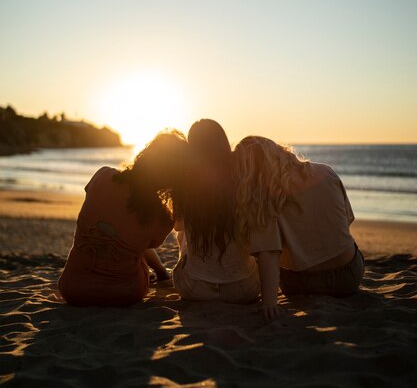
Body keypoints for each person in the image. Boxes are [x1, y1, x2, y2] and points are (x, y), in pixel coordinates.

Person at [234, 136, 365, 321]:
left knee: (257, 252)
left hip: (300, 283)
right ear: (278, 152)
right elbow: (347, 221)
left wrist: (269, 304)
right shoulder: (326, 172)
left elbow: (268, 254)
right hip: (348, 276)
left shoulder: (263, 199)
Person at [58, 130, 188, 306]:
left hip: (72, 289)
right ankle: (162, 273)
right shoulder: (161, 217)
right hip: (123, 293)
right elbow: (145, 247)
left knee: (122, 233)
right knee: (135, 243)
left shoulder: (102, 176)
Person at [173, 119, 262, 304]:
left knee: (183, 237)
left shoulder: (184, 182)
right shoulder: (242, 180)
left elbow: (178, 225)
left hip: (194, 288)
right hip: (244, 290)